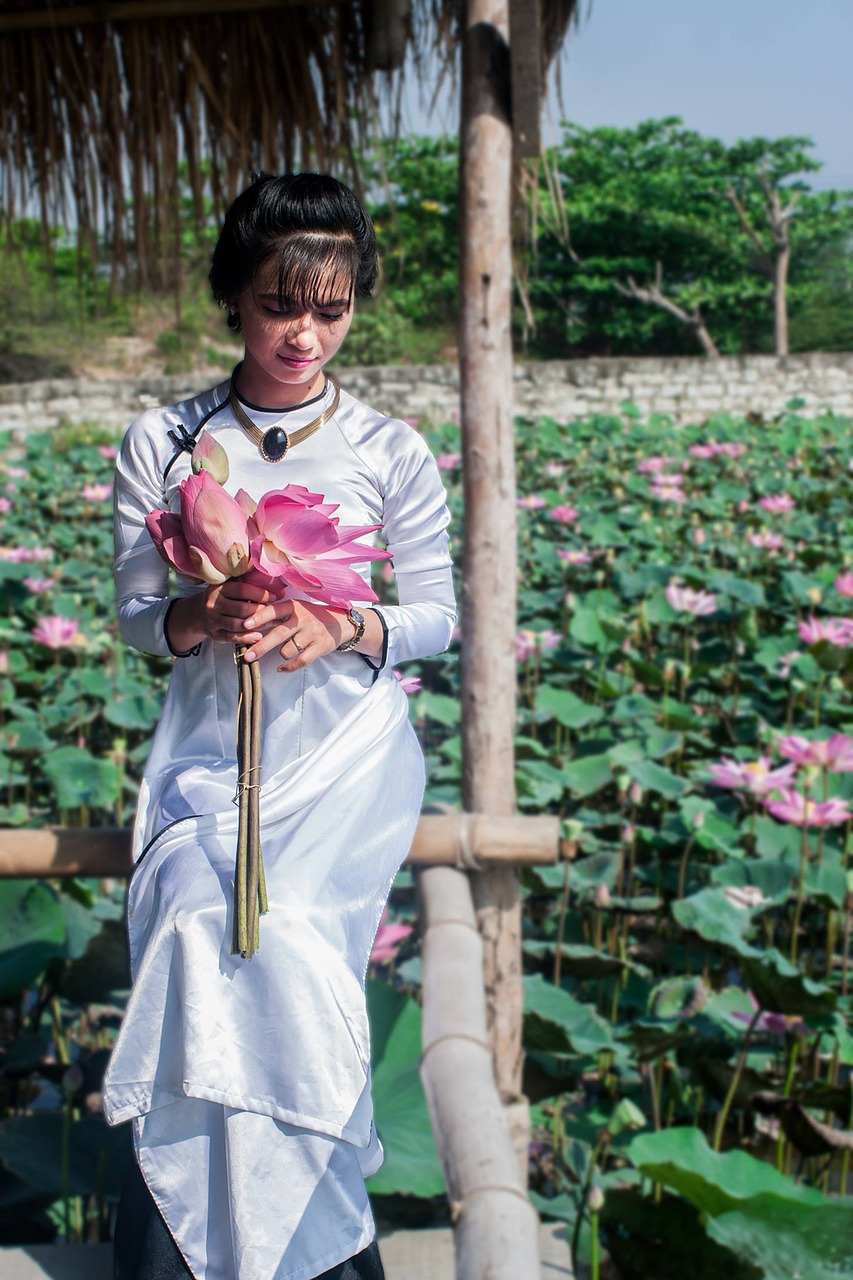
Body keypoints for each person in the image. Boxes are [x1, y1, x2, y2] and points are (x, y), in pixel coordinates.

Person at [103, 172, 456, 1280]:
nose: (304, 333)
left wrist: (342, 624)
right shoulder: (164, 440)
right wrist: (201, 608)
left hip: (342, 756)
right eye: (277, 304)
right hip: (212, 751)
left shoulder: (389, 447)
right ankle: (184, 1244)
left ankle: (312, 1247)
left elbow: (438, 618)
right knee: (198, 919)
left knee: (292, 948)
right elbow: (130, 617)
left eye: (332, 306)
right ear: (233, 297)